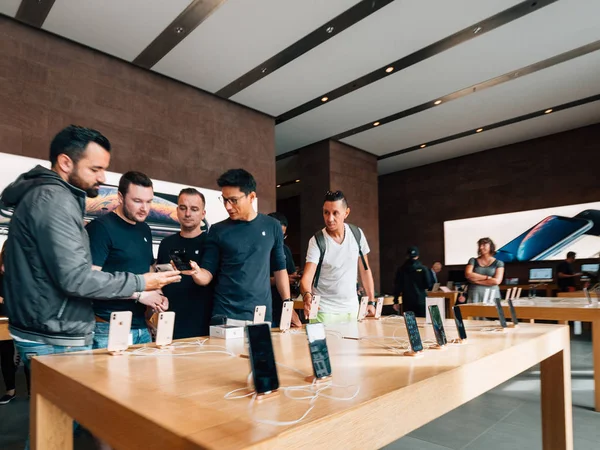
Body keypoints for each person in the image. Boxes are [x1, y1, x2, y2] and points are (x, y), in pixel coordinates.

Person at [0, 125, 180, 373]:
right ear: (65, 163)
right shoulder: (54, 200)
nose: (102, 177)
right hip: (55, 334)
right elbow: (78, 278)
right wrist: (141, 285)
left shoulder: (54, 197)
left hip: (56, 328)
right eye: (95, 169)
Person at [181, 169, 291, 325]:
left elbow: (280, 270)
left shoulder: (272, 226)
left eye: (233, 200)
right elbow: (207, 274)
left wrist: (288, 305)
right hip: (225, 315)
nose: (228, 206)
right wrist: (196, 272)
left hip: (261, 315)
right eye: (224, 199)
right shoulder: (218, 230)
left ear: (251, 197)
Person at [88, 171, 164, 348]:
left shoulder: (144, 229)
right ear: (120, 197)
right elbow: (91, 281)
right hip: (108, 327)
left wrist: (157, 295)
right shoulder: (100, 229)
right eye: (137, 201)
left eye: (149, 201)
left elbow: (146, 271)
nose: (144, 208)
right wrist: (140, 295)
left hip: (141, 327)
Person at [299, 190, 375, 323]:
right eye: (326, 212)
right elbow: (306, 279)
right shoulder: (317, 241)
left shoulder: (357, 234)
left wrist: (371, 301)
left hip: (352, 310)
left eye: (335, 213)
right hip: (323, 311)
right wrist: (307, 296)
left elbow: (365, 270)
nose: (330, 218)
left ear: (346, 213)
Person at [157, 188, 213, 338]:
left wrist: (196, 272)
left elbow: (206, 278)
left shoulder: (211, 242)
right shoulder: (166, 243)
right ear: (177, 210)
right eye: (183, 208)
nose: (187, 214)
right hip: (170, 323)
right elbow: (160, 281)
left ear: (203, 214)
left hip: (204, 325)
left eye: (194, 209)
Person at [267, 212, 301, 328]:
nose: (280, 240)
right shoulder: (258, 250)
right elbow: (254, 281)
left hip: (282, 307)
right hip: (263, 306)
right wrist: (277, 280)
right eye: (277, 235)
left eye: (283, 236)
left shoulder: (285, 250)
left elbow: (291, 274)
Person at [393, 246, 434, 317]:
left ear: (407, 256)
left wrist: (396, 301)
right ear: (417, 256)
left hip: (407, 301)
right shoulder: (423, 269)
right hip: (421, 300)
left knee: (410, 324)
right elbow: (428, 285)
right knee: (422, 323)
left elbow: (397, 286)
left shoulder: (401, 269)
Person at [465, 237, 504, 302]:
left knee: (492, 311)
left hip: (492, 294)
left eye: (484, 245)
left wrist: (477, 281)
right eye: (480, 245)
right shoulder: (473, 260)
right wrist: (488, 277)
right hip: (475, 294)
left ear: (491, 246)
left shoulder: (499, 263)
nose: (481, 247)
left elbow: (497, 281)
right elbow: (468, 274)